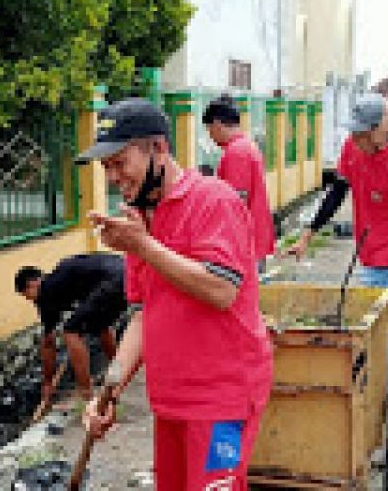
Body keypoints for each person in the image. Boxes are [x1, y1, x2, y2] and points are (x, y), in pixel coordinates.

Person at [76, 98, 272, 491]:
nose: (113, 176)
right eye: (106, 167)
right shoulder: (140, 219)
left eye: (119, 162)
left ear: (158, 149)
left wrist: (143, 246)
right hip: (171, 400)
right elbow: (145, 313)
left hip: (222, 400)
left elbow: (221, 290)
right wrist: (109, 391)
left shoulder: (214, 201)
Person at [288, 93, 388, 387]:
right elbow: (337, 193)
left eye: (360, 132)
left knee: (380, 331)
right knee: (382, 331)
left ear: (378, 133)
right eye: (353, 131)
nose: (353, 137)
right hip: (369, 256)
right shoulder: (352, 149)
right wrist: (307, 234)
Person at [15, 253, 126, 403]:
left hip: (112, 280)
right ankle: (119, 373)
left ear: (33, 284)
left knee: (70, 331)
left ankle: (87, 393)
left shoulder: (46, 291)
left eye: (27, 295)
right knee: (100, 324)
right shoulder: (62, 280)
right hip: (126, 273)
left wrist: (47, 382)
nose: (31, 300)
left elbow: (48, 343)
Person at [202, 96, 276, 268]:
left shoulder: (237, 153)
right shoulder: (246, 146)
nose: (210, 135)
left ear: (217, 125)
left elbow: (235, 202)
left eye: (209, 129)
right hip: (252, 238)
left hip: (243, 243)